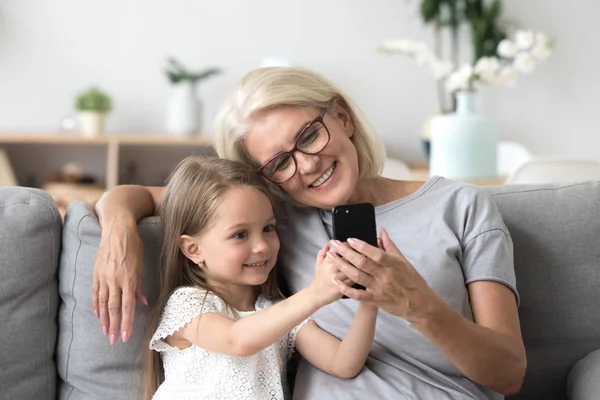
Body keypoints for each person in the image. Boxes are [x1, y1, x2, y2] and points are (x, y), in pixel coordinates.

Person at [93, 67, 527, 399]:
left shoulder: (461, 206)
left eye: (309, 136)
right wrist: (118, 230)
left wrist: (415, 304)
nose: (306, 165)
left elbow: (508, 373)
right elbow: (144, 197)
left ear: (341, 117)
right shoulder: (270, 219)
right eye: (279, 162)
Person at [143, 156, 378, 400]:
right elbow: (237, 340)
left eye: (268, 228)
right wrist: (315, 294)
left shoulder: (276, 313)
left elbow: (343, 364)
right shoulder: (187, 305)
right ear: (194, 250)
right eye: (240, 234)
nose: (261, 246)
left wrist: (370, 303)